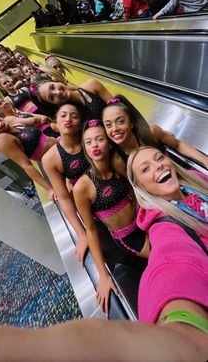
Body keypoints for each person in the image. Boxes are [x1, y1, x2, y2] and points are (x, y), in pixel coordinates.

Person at [73, 120, 149, 314]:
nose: (95, 146)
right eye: (89, 142)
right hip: (131, 239)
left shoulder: (119, 166)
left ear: (109, 142)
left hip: (146, 222)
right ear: (84, 148)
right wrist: (103, 274)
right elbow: (91, 230)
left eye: (100, 139)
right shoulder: (83, 187)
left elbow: (137, 191)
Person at [127, 146, 208, 324]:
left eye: (159, 158)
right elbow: (169, 265)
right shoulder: (164, 227)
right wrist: (181, 322)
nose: (158, 166)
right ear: (139, 186)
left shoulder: (198, 180)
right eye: (146, 169)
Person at [102, 95, 208, 169]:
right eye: (108, 125)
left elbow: (178, 144)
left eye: (120, 121)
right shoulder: (118, 160)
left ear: (131, 123)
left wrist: (205, 160)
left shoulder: (151, 132)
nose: (114, 129)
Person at [42, 103, 89, 265]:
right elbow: (64, 198)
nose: (68, 118)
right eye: (63, 115)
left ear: (81, 123)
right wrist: (81, 234)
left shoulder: (91, 137)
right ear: (55, 124)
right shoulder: (51, 159)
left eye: (74, 115)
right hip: (89, 199)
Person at [0, 114, 55, 200]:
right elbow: (27, 166)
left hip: (61, 146)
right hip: (57, 161)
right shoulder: (2, 140)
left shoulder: (13, 124)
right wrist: (49, 189)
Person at [31, 78, 112, 121]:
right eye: (52, 97)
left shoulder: (91, 85)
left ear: (57, 81)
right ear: (55, 104)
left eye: (52, 87)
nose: (57, 92)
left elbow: (119, 106)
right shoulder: (71, 118)